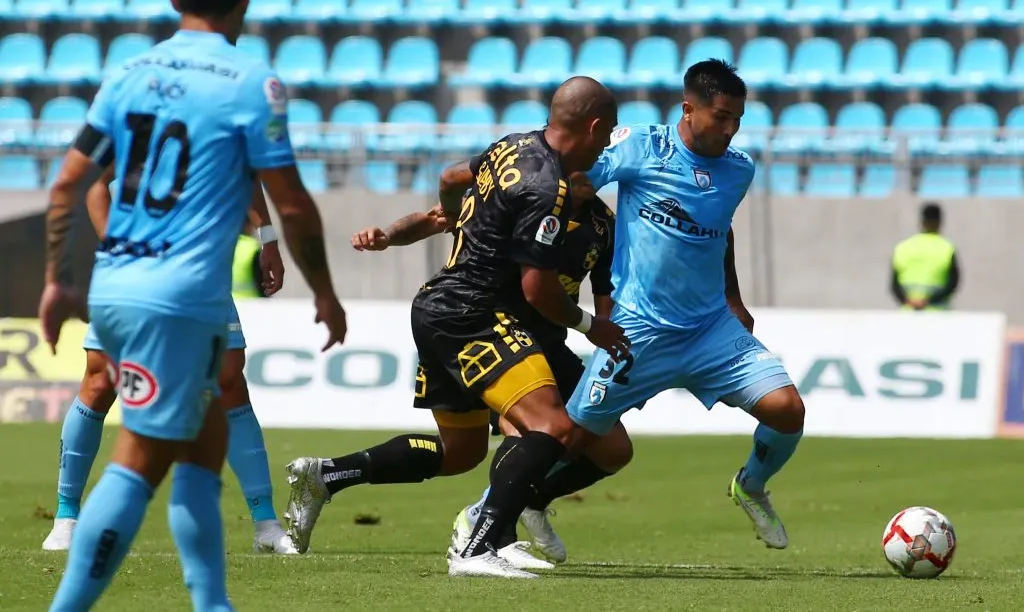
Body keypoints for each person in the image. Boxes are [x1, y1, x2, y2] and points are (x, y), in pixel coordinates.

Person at [37, 0, 347, 611]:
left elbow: (66, 184)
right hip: (178, 296)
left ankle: (214, 603)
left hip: (115, 285)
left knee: (205, 445)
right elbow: (291, 201)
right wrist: (324, 290)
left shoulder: (127, 73)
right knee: (140, 460)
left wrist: (58, 281)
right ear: (246, 1)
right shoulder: (250, 83)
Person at [283, 76, 630, 579]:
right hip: (475, 315)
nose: (605, 151)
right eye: (607, 135)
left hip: (451, 308)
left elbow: (450, 177)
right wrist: (590, 326)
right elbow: (537, 290)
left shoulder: (514, 147)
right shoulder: (546, 190)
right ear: (594, 127)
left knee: (462, 452)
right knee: (548, 426)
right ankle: (482, 544)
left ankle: (326, 476)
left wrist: (456, 219)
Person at [565, 59, 806, 551]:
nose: (731, 129)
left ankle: (751, 485)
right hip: (637, 329)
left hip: (710, 328)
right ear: (688, 109)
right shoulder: (640, 146)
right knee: (571, 437)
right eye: (721, 117)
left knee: (787, 409)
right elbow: (579, 177)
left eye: (738, 119)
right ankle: (490, 511)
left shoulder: (739, 169)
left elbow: (719, 227)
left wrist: (734, 297)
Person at [348, 171, 632, 567]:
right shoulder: (520, 194)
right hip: (492, 329)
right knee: (524, 429)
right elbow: (438, 216)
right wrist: (387, 236)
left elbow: (606, 292)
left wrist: (608, 343)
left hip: (550, 339)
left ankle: (525, 504)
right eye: (585, 163)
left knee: (613, 449)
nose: (593, 173)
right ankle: (492, 533)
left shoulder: (603, 224)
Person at [41, 169, 298, 555]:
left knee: (229, 382)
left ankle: (265, 524)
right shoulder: (137, 113)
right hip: (130, 274)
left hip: (201, 268)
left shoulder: (221, 114)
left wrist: (268, 238)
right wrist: (114, 244)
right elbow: (95, 181)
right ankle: (66, 517)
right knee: (100, 381)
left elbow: (246, 172)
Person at [890, 203, 960, 311]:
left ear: (921, 222)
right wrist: (929, 301)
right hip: (937, 314)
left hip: (909, 314)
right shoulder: (947, 248)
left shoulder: (903, 247)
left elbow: (894, 285)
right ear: (940, 222)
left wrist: (908, 301)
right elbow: (953, 283)